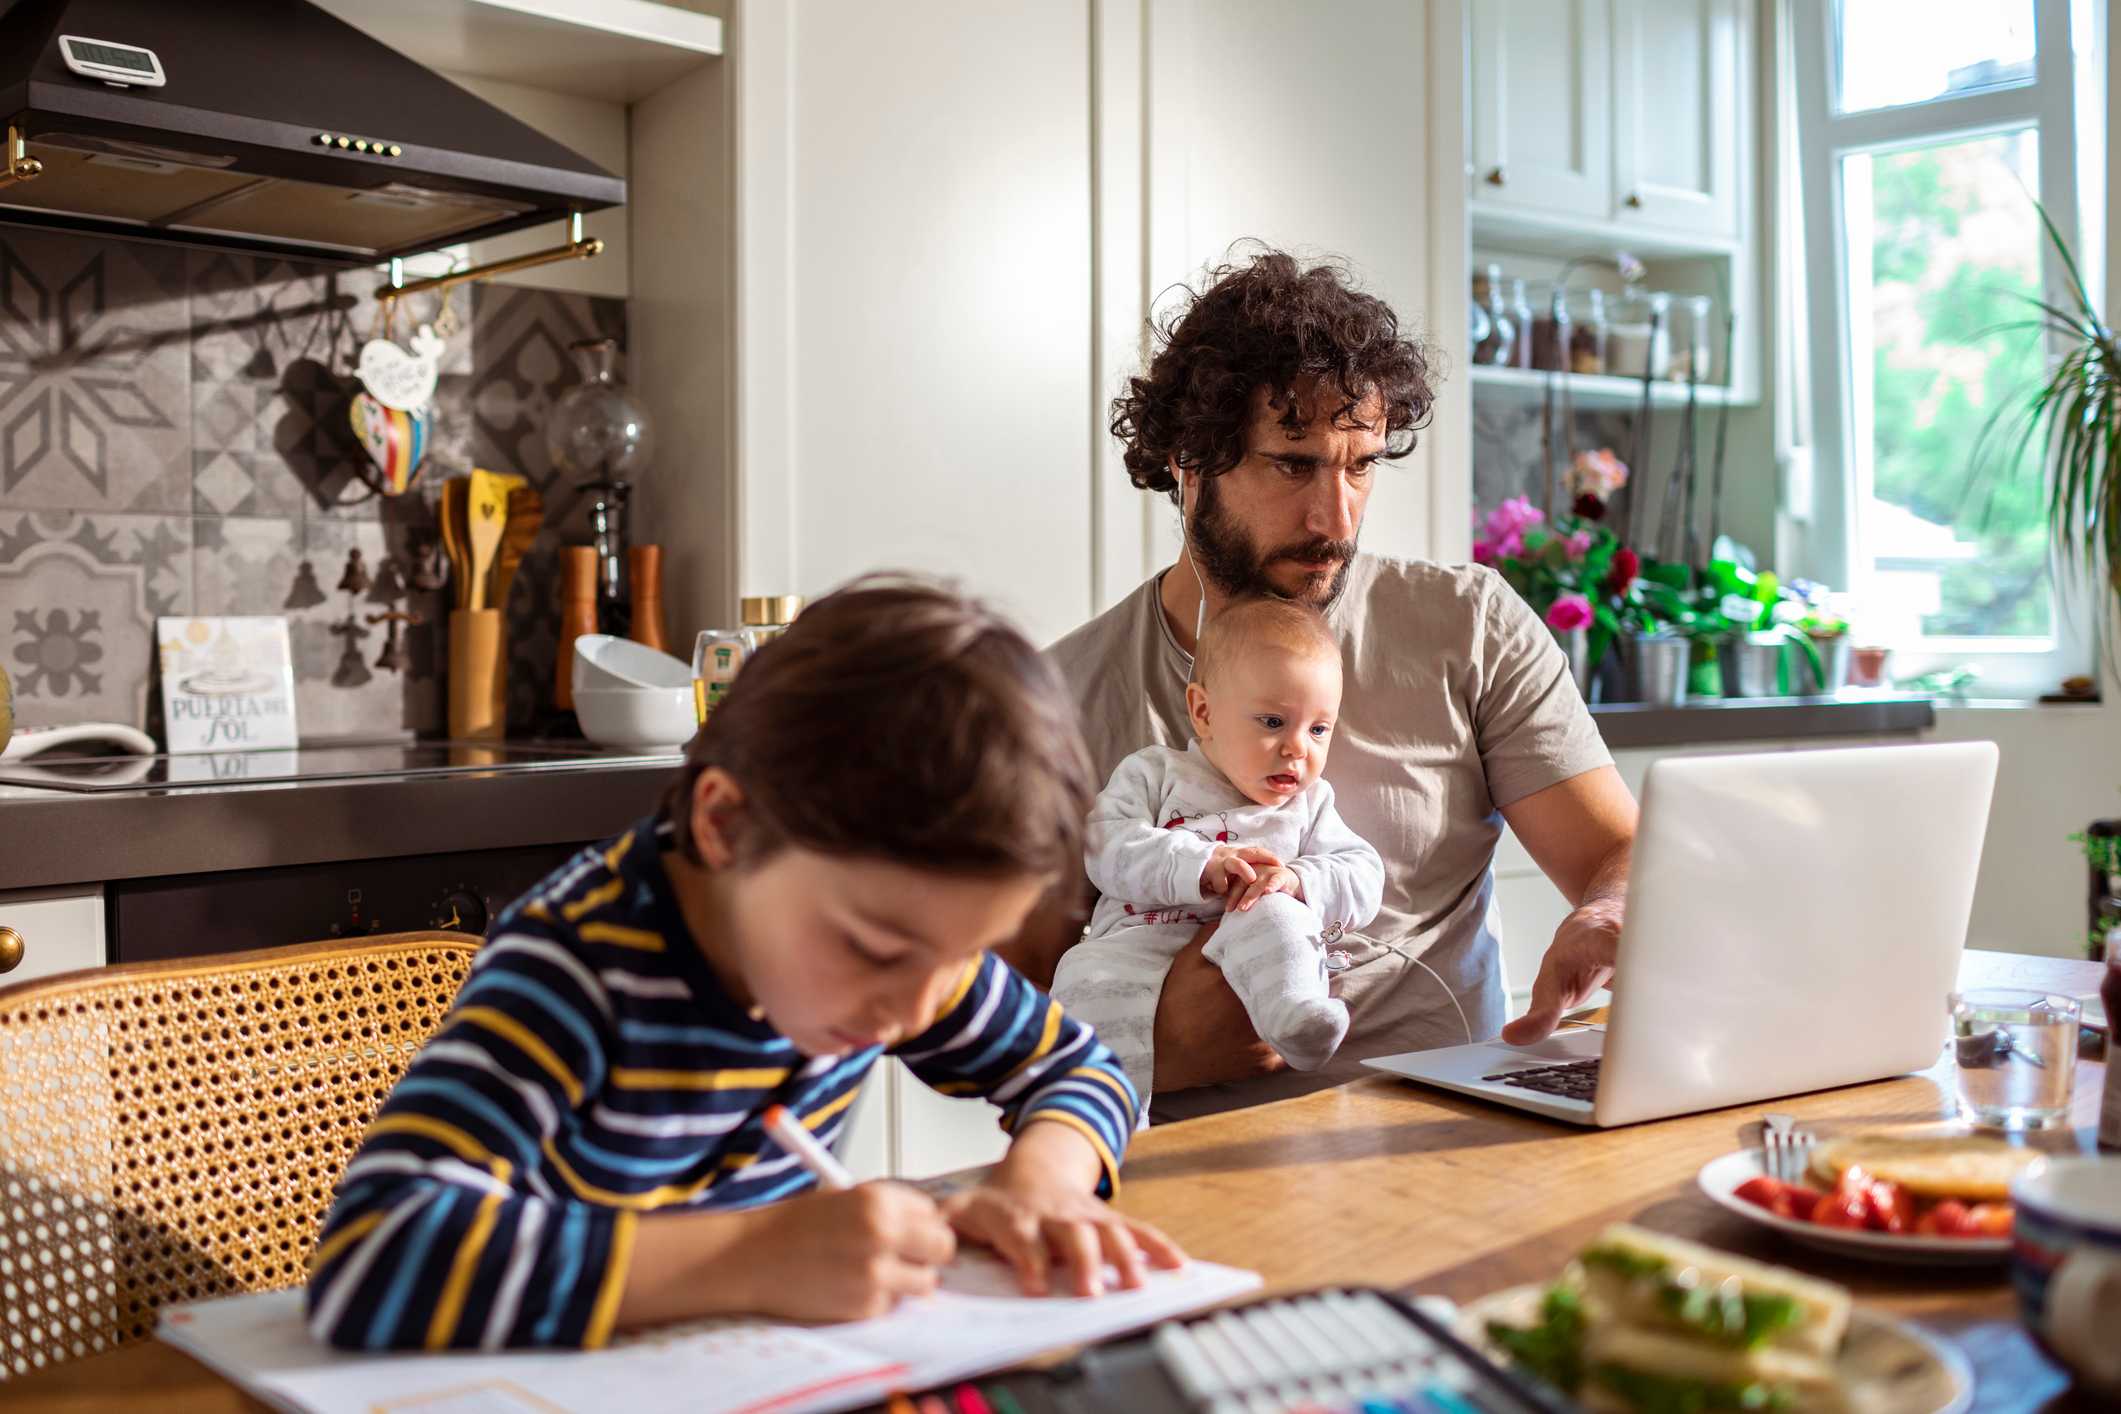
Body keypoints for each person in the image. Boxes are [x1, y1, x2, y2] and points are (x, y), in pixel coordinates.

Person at [307, 577, 1181, 1351]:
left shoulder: (899, 960)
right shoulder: (575, 972)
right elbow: (370, 1258)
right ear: (726, 825)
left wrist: (1046, 1182)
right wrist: (752, 1256)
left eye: (958, 958)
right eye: (875, 950)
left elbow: (1081, 1068)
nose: (914, 1010)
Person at [1025, 249, 1638, 1123]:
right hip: (1189, 1168)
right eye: (1292, 464)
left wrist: (1609, 910)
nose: (1335, 519)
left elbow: (1615, 854)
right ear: (1188, 461)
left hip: (1450, 1137)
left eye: (1359, 465)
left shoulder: (1468, 624)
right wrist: (1158, 1045)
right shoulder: (1059, 696)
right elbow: (991, 1009)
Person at [1052, 595, 1384, 1106]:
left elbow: (1363, 872)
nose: (1298, 748)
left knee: (1282, 918)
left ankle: (1294, 1014)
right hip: (1139, 939)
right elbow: (1105, 844)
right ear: (1203, 713)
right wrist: (1198, 866)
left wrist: (1298, 882)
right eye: (1273, 722)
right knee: (1082, 980)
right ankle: (1092, 1119)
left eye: (1318, 729)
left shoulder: (1310, 803)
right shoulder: (1155, 773)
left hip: (1248, 926)